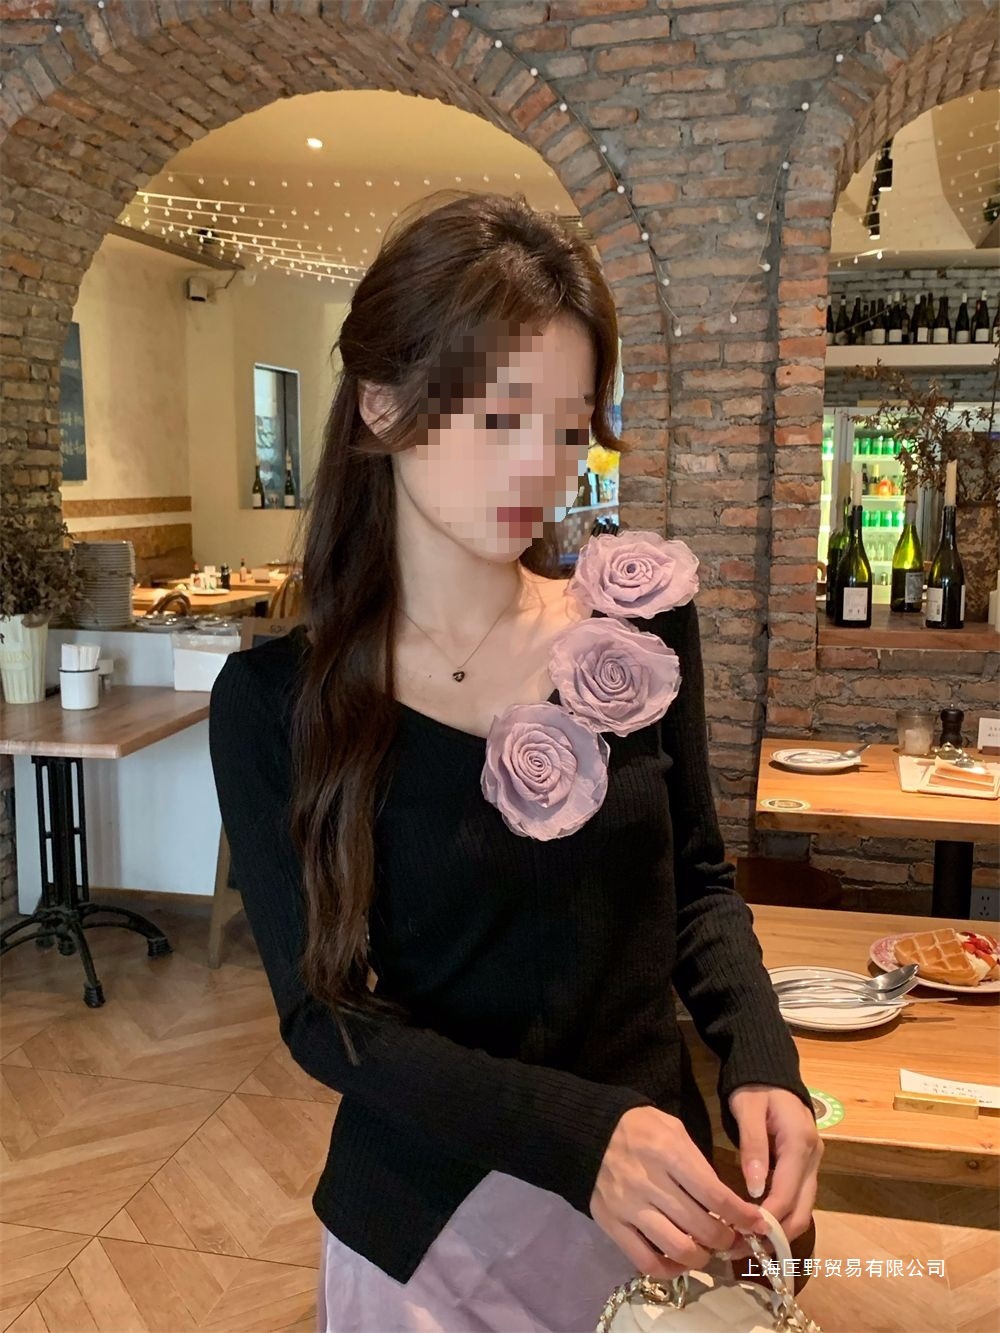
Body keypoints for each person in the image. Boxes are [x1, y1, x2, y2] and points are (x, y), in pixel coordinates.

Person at [209, 191, 822, 1333]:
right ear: (381, 402)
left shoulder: (634, 631)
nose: (544, 466)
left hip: (656, 1209)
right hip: (427, 1229)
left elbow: (696, 883)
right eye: (500, 417)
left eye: (572, 425)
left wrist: (760, 1056)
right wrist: (581, 1138)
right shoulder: (273, 706)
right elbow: (324, 1016)